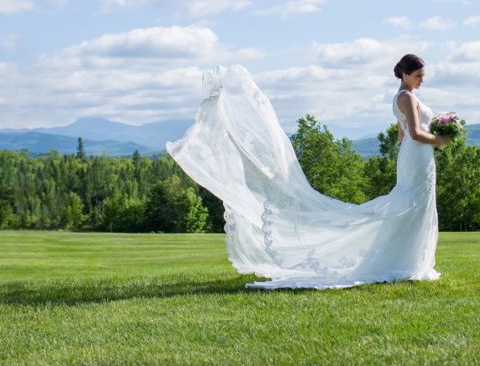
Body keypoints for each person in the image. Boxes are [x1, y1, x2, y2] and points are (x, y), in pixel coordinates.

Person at [166, 54, 448, 290]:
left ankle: (410, 260)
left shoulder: (400, 98)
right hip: (417, 156)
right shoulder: (407, 98)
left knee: (413, 206)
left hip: (415, 157)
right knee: (411, 205)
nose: (422, 80)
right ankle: (406, 262)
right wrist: (440, 140)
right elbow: (413, 133)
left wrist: (432, 137)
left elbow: (400, 138)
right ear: (406, 74)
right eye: (419, 76)